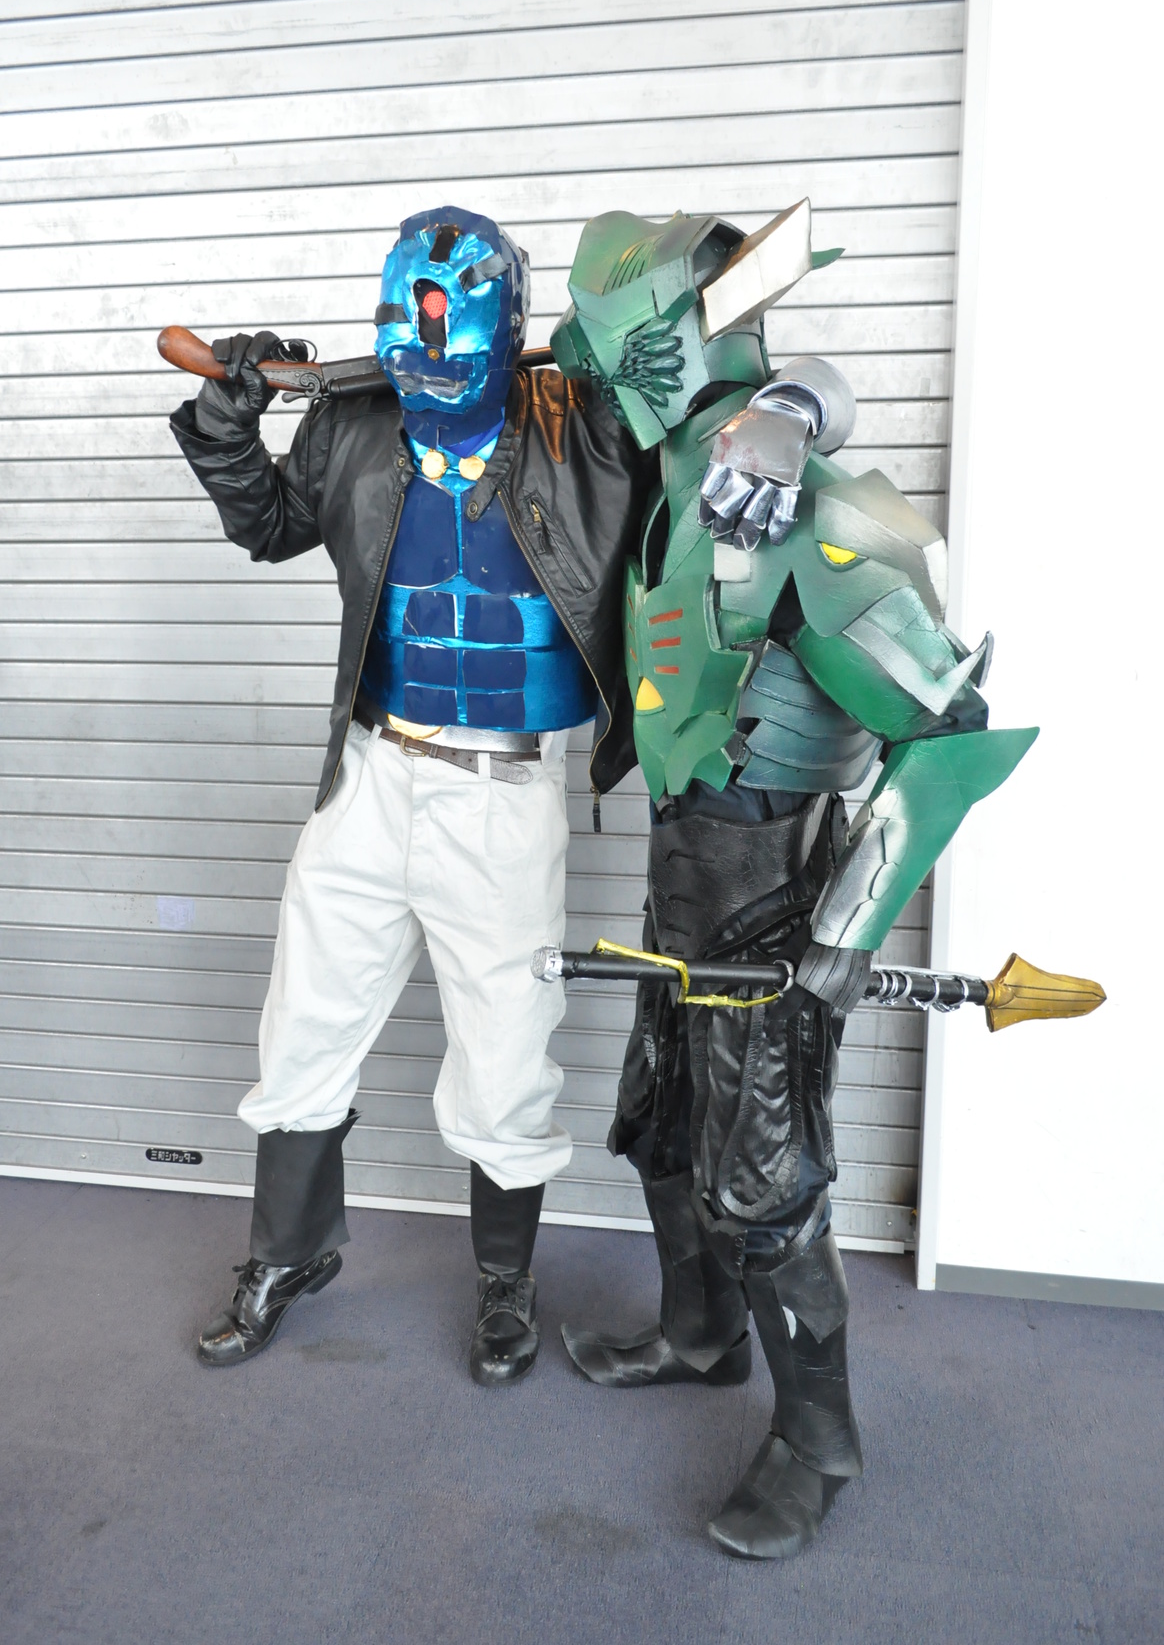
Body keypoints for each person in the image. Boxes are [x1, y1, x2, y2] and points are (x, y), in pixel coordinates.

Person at [549, 201, 1035, 1553]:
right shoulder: (677, 479)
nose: (598, 369)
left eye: (613, 342)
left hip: (769, 889)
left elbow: (946, 734)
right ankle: (698, 1334)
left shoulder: (808, 507)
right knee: (660, 1128)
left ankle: (819, 1439)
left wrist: (847, 929)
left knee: (763, 1180)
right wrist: (797, 397)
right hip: (683, 871)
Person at [169, 205, 653, 1384]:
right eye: (411, 330)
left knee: (506, 1050)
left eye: (448, 332)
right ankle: (286, 1256)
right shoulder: (351, 420)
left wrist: (797, 413)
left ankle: (503, 1283)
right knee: (305, 1019)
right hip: (371, 770)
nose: (427, 359)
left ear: (502, 327)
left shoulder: (585, 425)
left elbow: (723, 409)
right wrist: (228, 420)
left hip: (503, 790)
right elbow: (269, 527)